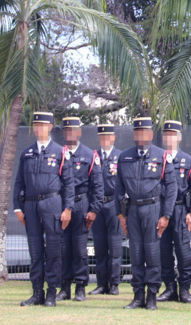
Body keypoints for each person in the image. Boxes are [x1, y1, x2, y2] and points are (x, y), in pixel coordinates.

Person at [114, 117, 176, 311]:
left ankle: (151, 296)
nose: (141, 136)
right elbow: (118, 188)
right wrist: (120, 215)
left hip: (153, 209)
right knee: (136, 253)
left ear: (150, 134)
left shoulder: (162, 156)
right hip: (132, 210)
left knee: (152, 253)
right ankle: (138, 295)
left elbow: (172, 186)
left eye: (145, 132)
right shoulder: (124, 157)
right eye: (137, 132)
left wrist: (166, 215)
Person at [13, 112, 75, 307]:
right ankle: (37, 292)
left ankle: (51, 293)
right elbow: (19, 183)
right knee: (35, 250)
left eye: (43, 125)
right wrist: (17, 208)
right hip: (30, 205)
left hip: (52, 204)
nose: (39, 128)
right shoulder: (27, 153)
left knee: (54, 250)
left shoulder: (60, 152)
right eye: (36, 125)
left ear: (50, 127)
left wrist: (68, 208)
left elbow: (69, 183)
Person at [56, 117, 104, 302]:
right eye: (66, 131)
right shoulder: (58, 153)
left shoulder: (89, 155)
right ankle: (64, 287)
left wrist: (94, 209)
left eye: (73, 130)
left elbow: (98, 186)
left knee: (79, 249)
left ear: (79, 132)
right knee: (63, 249)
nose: (69, 134)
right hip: (60, 205)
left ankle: (81, 287)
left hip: (81, 204)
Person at [157, 120, 191, 303]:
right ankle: (169, 288)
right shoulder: (156, 158)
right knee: (163, 250)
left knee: (183, 251)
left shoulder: (188, 160)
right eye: (167, 135)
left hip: (180, 209)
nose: (170, 138)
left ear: (179, 137)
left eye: (173, 134)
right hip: (159, 209)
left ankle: (184, 289)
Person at [90, 124, 124, 296]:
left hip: (113, 205)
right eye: (102, 137)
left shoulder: (121, 157)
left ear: (113, 138)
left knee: (115, 246)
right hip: (97, 205)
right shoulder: (93, 156)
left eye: (108, 137)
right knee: (100, 246)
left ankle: (114, 284)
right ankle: (101, 283)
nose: (105, 140)